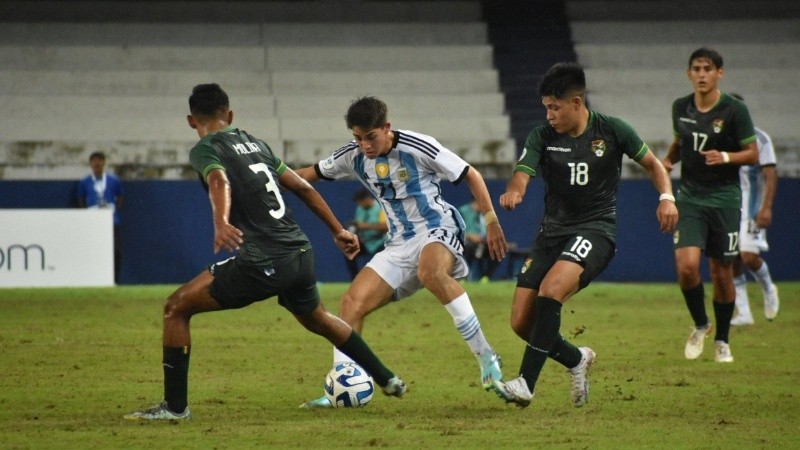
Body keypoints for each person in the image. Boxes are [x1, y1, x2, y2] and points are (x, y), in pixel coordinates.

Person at [125, 84, 405, 420]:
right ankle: (387, 378)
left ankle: (174, 408)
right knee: (319, 319)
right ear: (229, 115)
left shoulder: (206, 148)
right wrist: (338, 229)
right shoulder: (255, 143)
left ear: (191, 120)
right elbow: (301, 186)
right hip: (300, 252)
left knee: (176, 308)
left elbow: (218, 180)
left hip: (264, 259)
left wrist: (220, 221)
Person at [295, 96, 509, 408]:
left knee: (431, 272)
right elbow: (305, 175)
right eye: (358, 137)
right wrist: (265, 174)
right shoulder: (352, 156)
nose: (365, 145)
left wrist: (491, 221)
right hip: (399, 243)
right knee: (351, 303)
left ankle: (486, 355)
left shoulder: (417, 146)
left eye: (371, 137)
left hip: (438, 227)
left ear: (386, 127)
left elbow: (471, 174)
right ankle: (342, 389)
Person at [493, 62, 678, 408]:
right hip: (552, 234)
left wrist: (667, 198)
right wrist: (516, 191)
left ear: (577, 103)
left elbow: (654, 165)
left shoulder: (612, 130)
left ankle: (525, 384)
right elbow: (522, 172)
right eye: (546, 107)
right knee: (521, 322)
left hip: (595, 230)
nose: (549, 115)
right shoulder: (542, 137)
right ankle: (577, 359)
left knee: (550, 292)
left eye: (555, 107)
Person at [662, 48, 758, 363]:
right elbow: (681, 142)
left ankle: (723, 341)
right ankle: (702, 324)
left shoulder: (734, 110)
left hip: (725, 199)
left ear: (720, 73)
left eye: (708, 69)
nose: (702, 74)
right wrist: (668, 160)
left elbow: (753, 153)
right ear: (689, 74)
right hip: (689, 197)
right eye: (696, 69)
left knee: (721, 272)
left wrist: (726, 157)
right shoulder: (680, 107)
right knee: (687, 266)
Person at [728, 93, 779, 325]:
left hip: (751, 209)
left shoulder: (759, 139)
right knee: (731, 259)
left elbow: (770, 174)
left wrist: (766, 208)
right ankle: (745, 313)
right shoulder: (718, 140)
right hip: (727, 207)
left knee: (748, 256)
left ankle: (769, 289)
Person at [77, 151, 124, 284]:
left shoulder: (113, 180)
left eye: (99, 160)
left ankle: (115, 280)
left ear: (103, 162)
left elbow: (120, 197)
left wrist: (114, 212)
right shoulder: (85, 182)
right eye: (94, 160)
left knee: (115, 251)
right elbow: (81, 199)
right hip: (93, 222)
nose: (96, 163)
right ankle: (94, 279)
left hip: (112, 221)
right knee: (94, 250)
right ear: (90, 163)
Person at [345, 188, 387, 280]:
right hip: (367, 241)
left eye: (360, 201)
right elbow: (358, 225)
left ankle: (383, 281)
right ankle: (355, 280)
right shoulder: (360, 209)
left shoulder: (380, 207)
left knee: (383, 263)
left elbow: (385, 227)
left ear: (367, 199)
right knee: (350, 252)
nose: (359, 204)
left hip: (381, 242)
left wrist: (366, 226)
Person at [458, 198, 498, 282]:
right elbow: (457, 230)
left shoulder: (484, 215)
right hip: (466, 243)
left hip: (481, 244)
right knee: (469, 247)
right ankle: (463, 277)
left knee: (496, 249)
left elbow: (486, 231)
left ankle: (485, 278)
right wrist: (469, 236)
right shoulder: (463, 211)